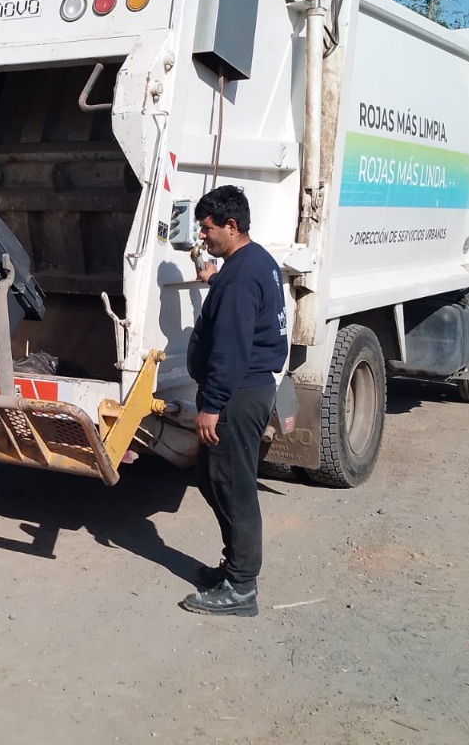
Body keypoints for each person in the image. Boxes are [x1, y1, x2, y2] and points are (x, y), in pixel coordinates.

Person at [180, 185, 288, 617]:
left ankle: (242, 588)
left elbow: (231, 346)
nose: (202, 237)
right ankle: (234, 568)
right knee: (212, 479)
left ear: (232, 225)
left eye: (207, 229)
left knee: (233, 486)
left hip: (237, 393)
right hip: (248, 387)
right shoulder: (251, 262)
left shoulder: (241, 276)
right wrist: (214, 279)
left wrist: (213, 404)